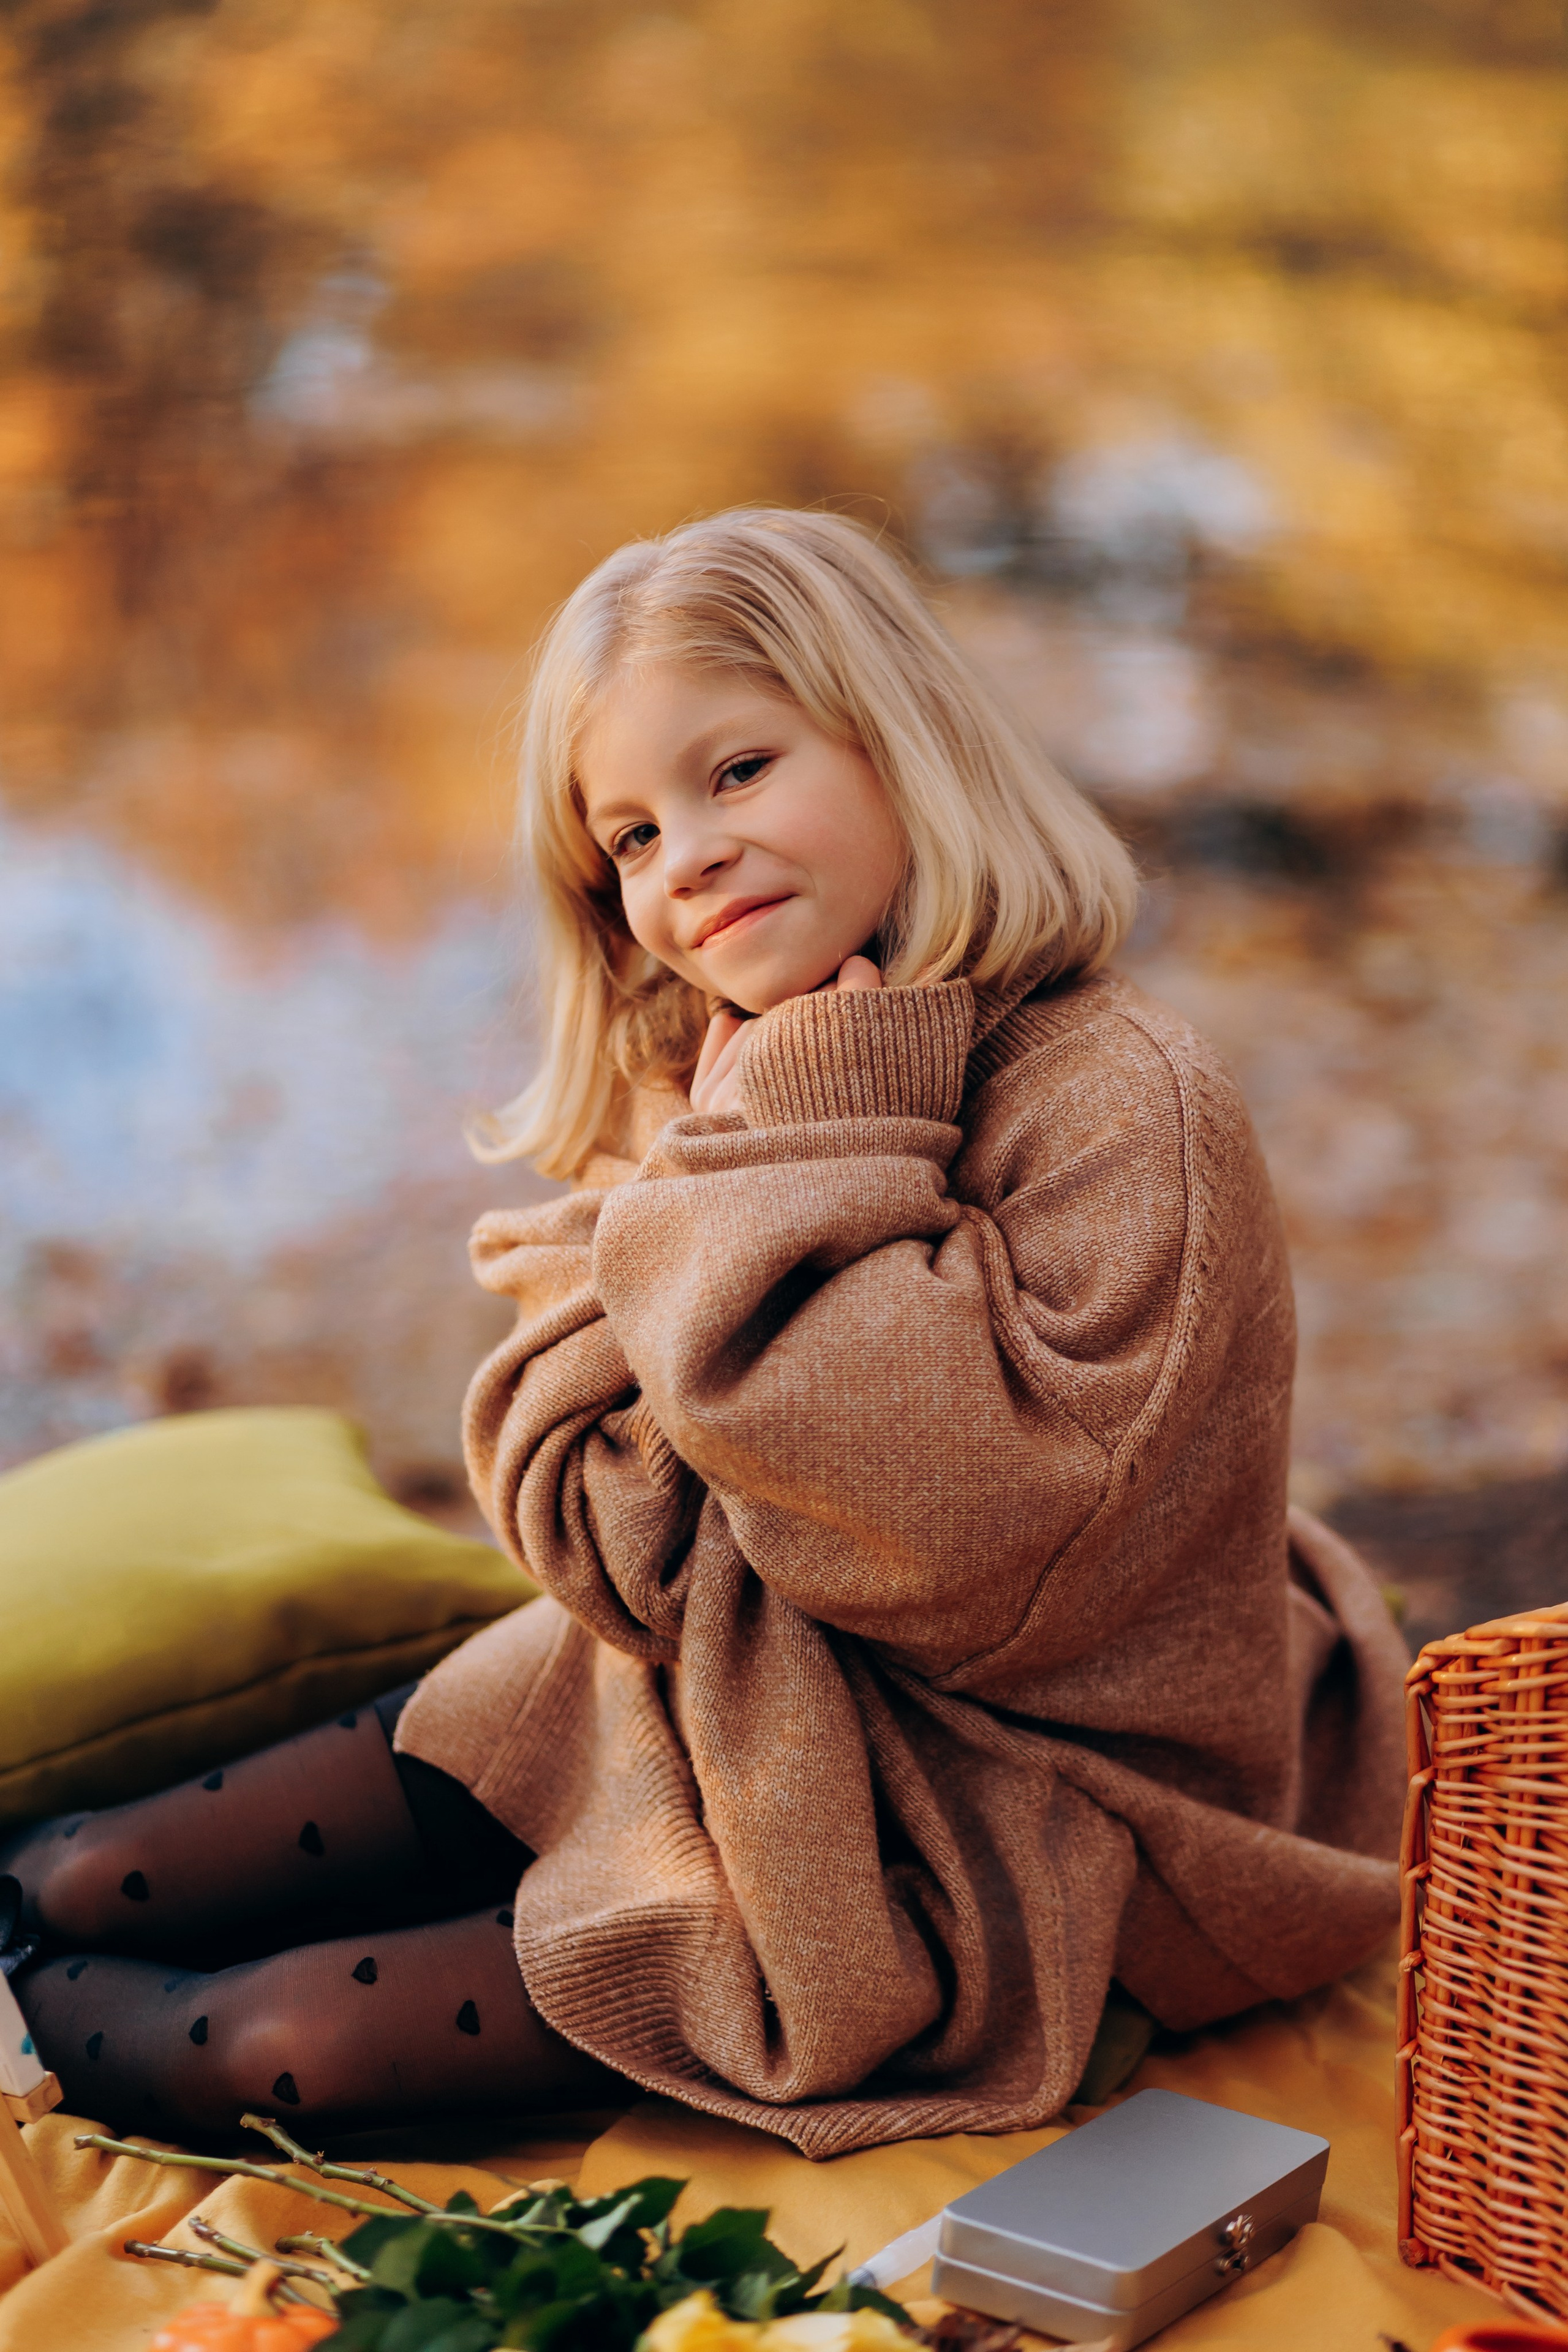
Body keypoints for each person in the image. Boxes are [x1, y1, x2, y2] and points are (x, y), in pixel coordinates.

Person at [1, 509, 1408, 2154]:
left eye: (738, 773)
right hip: (704, 1687)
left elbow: (944, 1545)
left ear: (904, 745)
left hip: (1004, 1807)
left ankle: (55, 2027)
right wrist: (729, 1190)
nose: (691, 859)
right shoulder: (712, 1060)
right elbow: (594, 1533)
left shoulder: (1119, 1098)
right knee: (95, 1874)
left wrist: (812, 1135)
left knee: (280, 2044)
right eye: (634, 838)